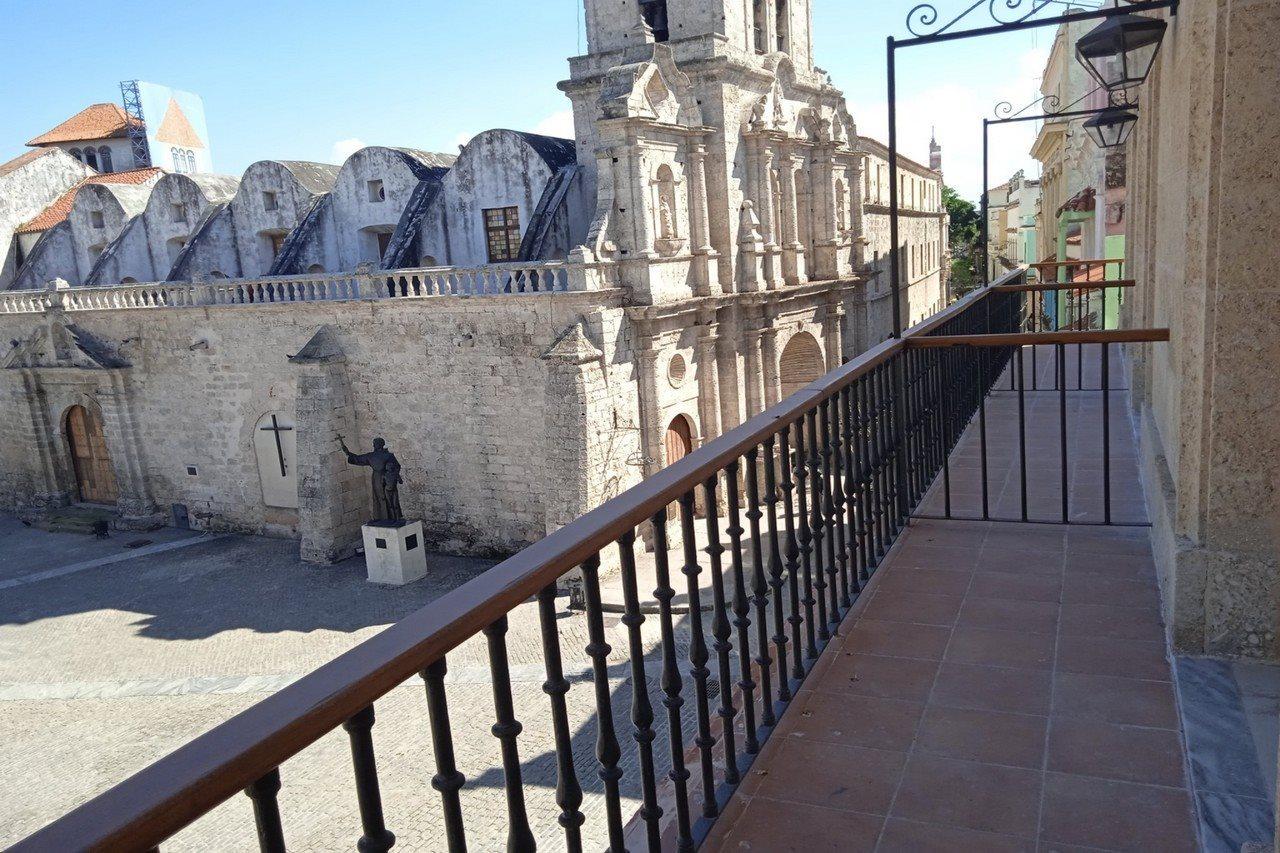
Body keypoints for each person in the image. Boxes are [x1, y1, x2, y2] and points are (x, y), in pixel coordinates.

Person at [338, 436, 404, 522]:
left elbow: (396, 467)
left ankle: (392, 518)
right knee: (382, 498)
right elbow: (357, 459)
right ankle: (385, 518)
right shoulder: (376, 456)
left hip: (385, 478)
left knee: (389, 498)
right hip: (381, 478)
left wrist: (394, 476)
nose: (374, 445)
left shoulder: (383, 456)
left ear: (379, 445)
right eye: (374, 444)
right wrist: (347, 452)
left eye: (375, 444)